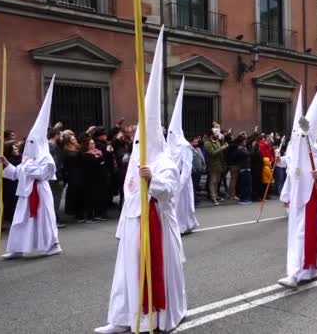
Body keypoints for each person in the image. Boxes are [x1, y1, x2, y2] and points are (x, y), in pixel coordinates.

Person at [94, 28, 186, 334]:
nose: (137, 144)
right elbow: (129, 194)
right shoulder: (136, 158)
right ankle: (122, 319)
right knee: (127, 274)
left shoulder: (164, 161)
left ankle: (157, 318)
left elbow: (169, 191)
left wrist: (153, 181)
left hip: (155, 225)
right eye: (136, 140)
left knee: (153, 271)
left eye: (142, 139)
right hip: (133, 224)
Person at [278, 63, 317, 289]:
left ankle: (297, 272)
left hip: (312, 200)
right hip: (296, 202)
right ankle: (309, 270)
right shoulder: (294, 150)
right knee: (297, 236)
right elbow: (292, 170)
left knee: (305, 236)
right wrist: (280, 162)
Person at [0, 76, 61, 258]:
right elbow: (17, 173)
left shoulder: (45, 157)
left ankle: (52, 245)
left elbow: (46, 173)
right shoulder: (28, 159)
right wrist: (7, 164)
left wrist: (29, 169)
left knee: (44, 220)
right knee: (21, 219)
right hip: (25, 193)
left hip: (40, 192)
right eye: (29, 141)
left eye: (33, 141)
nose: (30, 144)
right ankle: (17, 248)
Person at [167, 78, 199, 234]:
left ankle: (184, 225)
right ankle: (177, 226)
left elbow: (187, 167)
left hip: (182, 181)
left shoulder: (185, 146)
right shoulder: (169, 145)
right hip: (173, 180)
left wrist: (181, 182)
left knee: (183, 204)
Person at [81, 137, 106, 223]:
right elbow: (95, 162)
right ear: (87, 145)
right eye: (91, 143)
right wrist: (98, 158)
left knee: (95, 196)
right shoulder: (86, 154)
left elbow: (102, 162)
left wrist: (99, 158)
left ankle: (94, 215)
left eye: (93, 143)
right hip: (89, 179)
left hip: (97, 178)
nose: (93, 145)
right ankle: (88, 216)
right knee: (89, 198)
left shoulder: (97, 152)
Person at [62, 133, 85, 221]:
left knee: (80, 193)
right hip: (73, 174)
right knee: (75, 193)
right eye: (72, 139)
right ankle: (76, 212)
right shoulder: (67, 150)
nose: (74, 140)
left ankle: (80, 212)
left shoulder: (78, 148)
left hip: (80, 172)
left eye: (74, 138)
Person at [203, 126, 228, 205]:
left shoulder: (217, 141)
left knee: (217, 181)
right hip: (212, 165)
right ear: (211, 135)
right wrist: (222, 148)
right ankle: (213, 197)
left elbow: (221, 151)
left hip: (219, 164)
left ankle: (216, 195)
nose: (217, 135)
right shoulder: (207, 143)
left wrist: (223, 142)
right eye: (215, 133)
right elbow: (212, 153)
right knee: (213, 181)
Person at [47, 128, 66, 228]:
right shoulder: (53, 146)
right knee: (55, 199)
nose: (61, 137)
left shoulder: (46, 145)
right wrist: (59, 177)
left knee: (52, 198)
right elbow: (56, 164)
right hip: (54, 177)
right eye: (60, 135)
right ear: (56, 135)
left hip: (49, 176)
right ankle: (54, 220)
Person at [235, 136, 253, 204]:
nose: (246, 142)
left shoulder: (244, 148)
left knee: (248, 184)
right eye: (244, 141)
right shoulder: (240, 149)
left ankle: (247, 198)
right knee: (244, 184)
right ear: (241, 142)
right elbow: (247, 154)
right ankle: (243, 199)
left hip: (247, 168)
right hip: (244, 168)